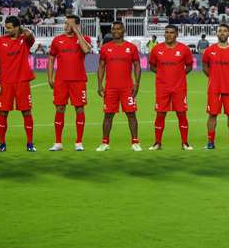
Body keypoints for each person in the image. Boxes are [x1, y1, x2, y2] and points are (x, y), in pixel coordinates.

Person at [47, 15, 92, 151]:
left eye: (69, 24)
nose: (66, 26)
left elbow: (86, 50)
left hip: (78, 80)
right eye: (65, 24)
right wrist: (50, 77)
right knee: (59, 108)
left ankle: (78, 142)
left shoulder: (84, 39)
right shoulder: (57, 40)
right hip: (61, 81)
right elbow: (51, 59)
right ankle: (58, 142)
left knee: (79, 109)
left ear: (77, 25)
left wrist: (77, 32)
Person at [0, 16, 36, 152]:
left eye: (10, 27)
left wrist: (20, 30)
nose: (7, 30)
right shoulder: (0, 41)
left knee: (26, 111)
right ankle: (2, 144)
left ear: (17, 27)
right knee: (3, 112)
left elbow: (30, 34)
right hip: (5, 82)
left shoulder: (24, 40)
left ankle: (30, 144)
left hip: (22, 82)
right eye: (6, 27)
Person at [96, 22, 142, 151]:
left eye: (118, 29)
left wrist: (137, 83)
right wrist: (100, 84)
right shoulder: (105, 48)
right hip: (110, 88)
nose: (116, 31)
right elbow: (101, 66)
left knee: (131, 114)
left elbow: (137, 66)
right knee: (108, 115)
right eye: (114, 29)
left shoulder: (131, 48)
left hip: (127, 88)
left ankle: (135, 142)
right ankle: (105, 142)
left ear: (123, 30)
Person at [149, 25, 194, 151]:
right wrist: (163, 74)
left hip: (179, 88)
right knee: (160, 114)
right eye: (167, 32)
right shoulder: (156, 49)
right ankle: (157, 143)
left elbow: (189, 66)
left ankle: (185, 143)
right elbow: (152, 66)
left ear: (177, 34)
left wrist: (179, 75)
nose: (169, 35)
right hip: (162, 87)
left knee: (181, 114)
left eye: (172, 32)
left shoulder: (184, 49)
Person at [202, 24, 229, 149]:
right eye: (220, 31)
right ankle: (210, 143)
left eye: (225, 31)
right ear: (217, 33)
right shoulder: (209, 50)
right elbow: (205, 67)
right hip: (214, 89)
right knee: (212, 115)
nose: (222, 33)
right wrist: (214, 77)